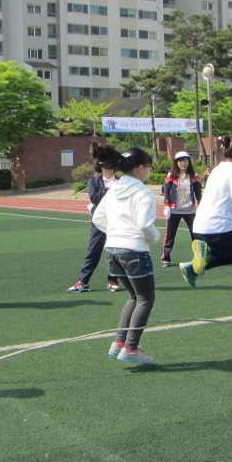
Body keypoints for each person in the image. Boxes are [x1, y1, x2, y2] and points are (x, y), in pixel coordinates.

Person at [91, 146, 160, 365]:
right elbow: (145, 225)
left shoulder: (113, 189)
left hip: (112, 250)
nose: (149, 171)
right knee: (145, 299)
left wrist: (115, 233)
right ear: (140, 168)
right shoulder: (143, 192)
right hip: (134, 249)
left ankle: (120, 342)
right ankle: (130, 348)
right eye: (149, 167)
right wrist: (154, 237)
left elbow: (97, 218)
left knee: (134, 297)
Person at [178, 135, 232, 288]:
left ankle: (193, 267)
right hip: (217, 229)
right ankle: (202, 258)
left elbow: (222, 200)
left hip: (200, 227)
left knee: (226, 253)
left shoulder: (218, 169)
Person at [69, 144, 122, 293]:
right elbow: (94, 197)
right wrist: (110, 191)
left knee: (114, 252)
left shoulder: (121, 182)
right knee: (93, 251)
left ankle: (113, 280)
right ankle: (83, 281)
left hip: (116, 222)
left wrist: (107, 192)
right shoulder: (93, 182)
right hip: (98, 222)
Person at [159, 151, 203, 268]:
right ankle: (165, 258)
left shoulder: (194, 175)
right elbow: (167, 192)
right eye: (180, 161)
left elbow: (198, 193)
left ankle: (199, 257)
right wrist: (167, 206)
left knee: (196, 235)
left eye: (185, 160)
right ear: (176, 162)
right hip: (174, 210)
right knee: (169, 235)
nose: (183, 163)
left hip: (190, 210)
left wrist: (201, 206)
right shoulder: (171, 175)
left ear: (189, 161)